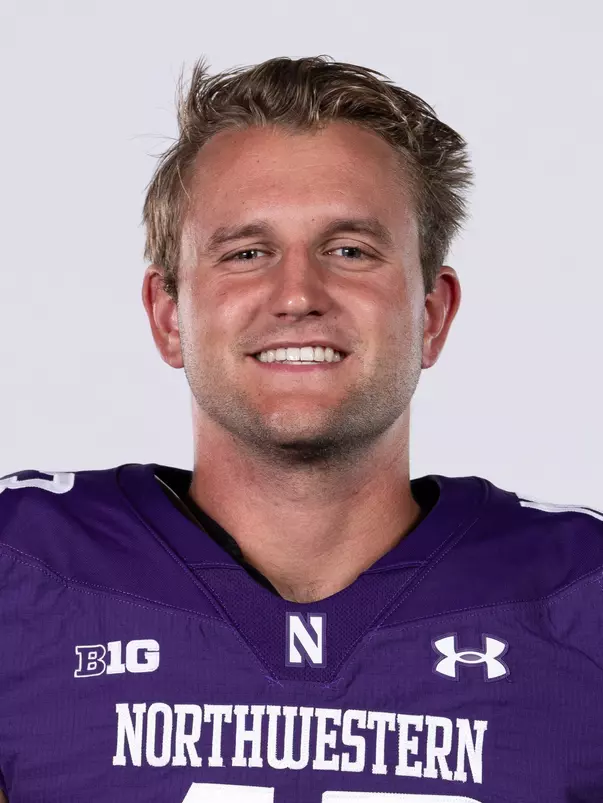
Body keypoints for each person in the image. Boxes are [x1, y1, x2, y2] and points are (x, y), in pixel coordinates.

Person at [0, 55, 601, 803]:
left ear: (430, 314)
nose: (297, 294)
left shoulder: (583, 596)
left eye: (349, 250)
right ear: (167, 316)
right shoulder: (23, 573)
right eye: (247, 253)